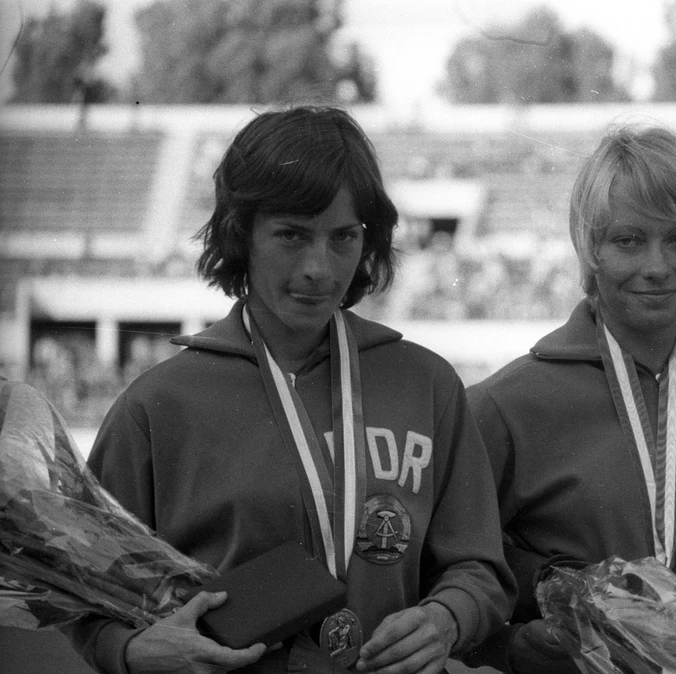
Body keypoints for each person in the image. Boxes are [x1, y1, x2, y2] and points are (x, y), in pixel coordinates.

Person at [63, 106, 515, 674]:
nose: (320, 269)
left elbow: (480, 570)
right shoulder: (155, 408)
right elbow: (85, 594)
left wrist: (449, 618)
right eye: (291, 235)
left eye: (343, 237)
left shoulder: (428, 385)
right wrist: (130, 651)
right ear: (240, 234)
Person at [460, 125, 676, 673]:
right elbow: (448, 573)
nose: (657, 266)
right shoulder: (504, 407)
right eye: (628, 240)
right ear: (590, 250)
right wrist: (514, 647)